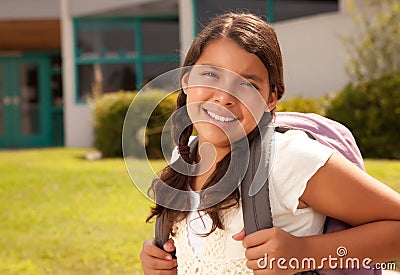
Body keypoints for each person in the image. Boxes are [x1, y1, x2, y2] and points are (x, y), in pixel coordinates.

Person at [139, 12, 400, 274]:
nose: (224, 96)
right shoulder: (185, 156)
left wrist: (305, 253)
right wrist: (162, 261)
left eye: (247, 84)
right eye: (211, 74)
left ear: (270, 99)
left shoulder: (288, 158)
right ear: (186, 80)